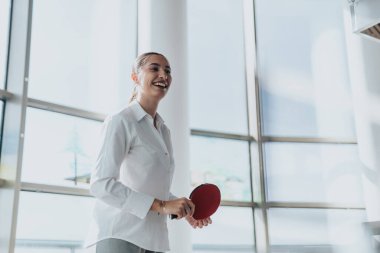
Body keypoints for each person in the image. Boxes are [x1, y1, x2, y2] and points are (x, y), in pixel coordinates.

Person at [85, 52, 212, 253]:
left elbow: (150, 187)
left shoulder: (163, 130)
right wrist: (162, 206)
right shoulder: (121, 121)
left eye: (168, 71)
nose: (164, 75)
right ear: (135, 77)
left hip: (155, 241)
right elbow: (101, 184)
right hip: (121, 236)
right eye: (154, 68)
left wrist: (182, 208)